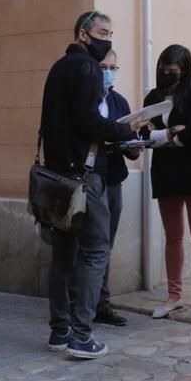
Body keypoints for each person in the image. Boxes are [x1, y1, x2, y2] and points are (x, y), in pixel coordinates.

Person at [39, 11, 145, 359]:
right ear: (83, 34)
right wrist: (125, 130)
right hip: (84, 176)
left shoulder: (57, 67)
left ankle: (59, 331)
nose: (108, 38)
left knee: (64, 254)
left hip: (57, 175)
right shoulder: (85, 68)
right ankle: (81, 335)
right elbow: (88, 121)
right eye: (102, 31)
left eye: (111, 32)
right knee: (95, 250)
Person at [143, 45, 191, 324]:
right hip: (166, 173)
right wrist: (176, 132)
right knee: (173, 237)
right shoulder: (153, 96)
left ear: (184, 70)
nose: (166, 75)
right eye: (163, 70)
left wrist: (164, 135)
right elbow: (143, 132)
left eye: (172, 71)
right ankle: (174, 296)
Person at [73, 48, 139, 327]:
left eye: (114, 67)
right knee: (87, 246)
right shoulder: (84, 101)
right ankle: (79, 303)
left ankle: (101, 302)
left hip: (112, 180)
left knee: (105, 245)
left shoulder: (119, 102)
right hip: (86, 181)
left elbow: (132, 147)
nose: (109, 72)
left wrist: (134, 144)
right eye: (103, 67)